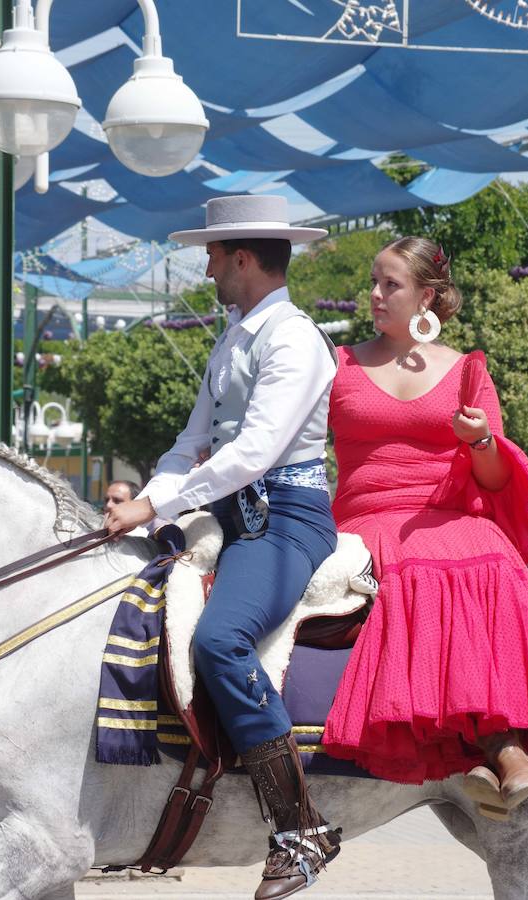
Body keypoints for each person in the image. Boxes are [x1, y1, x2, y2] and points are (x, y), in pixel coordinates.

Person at [105, 195, 341, 900]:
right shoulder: (232, 336)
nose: (205, 266)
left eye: (211, 253)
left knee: (220, 642)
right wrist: (144, 506)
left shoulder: (295, 339)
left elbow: (254, 454)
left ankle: (299, 831)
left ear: (242, 258)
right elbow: (190, 445)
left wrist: (157, 503)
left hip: (285, 520)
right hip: (228, 515)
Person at [322, 236, 528, 811]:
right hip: (367, 521)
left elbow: (494, 482)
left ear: (428, 295)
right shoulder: (338, 363)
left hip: (449, 517)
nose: (373, 294)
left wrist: (483, 441)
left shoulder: (468, 371)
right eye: (373, 281)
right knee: (420, 566)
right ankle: (500, 749)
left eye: (389, 284)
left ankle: (489, 747)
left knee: (484, 555)